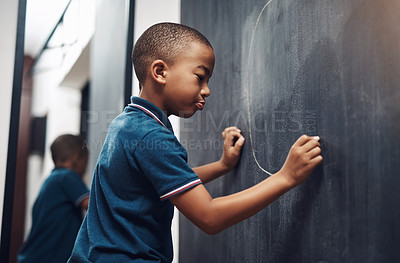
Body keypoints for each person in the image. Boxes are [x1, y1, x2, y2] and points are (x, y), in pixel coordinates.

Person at [68, 22, 322, 263]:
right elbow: (209, 216)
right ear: (160, 72)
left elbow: (166, 178)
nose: (207, 90)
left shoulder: (128, 123)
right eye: (200, 77)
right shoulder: (150, 135)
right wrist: (286, 177)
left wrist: (222, 165)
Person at [18, 134, 90, 263]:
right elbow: (92, 205)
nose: (85, 170)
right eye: (86, 164)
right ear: (77, 158)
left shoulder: (51, 180)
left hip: (33, 257)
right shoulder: (67, 177)